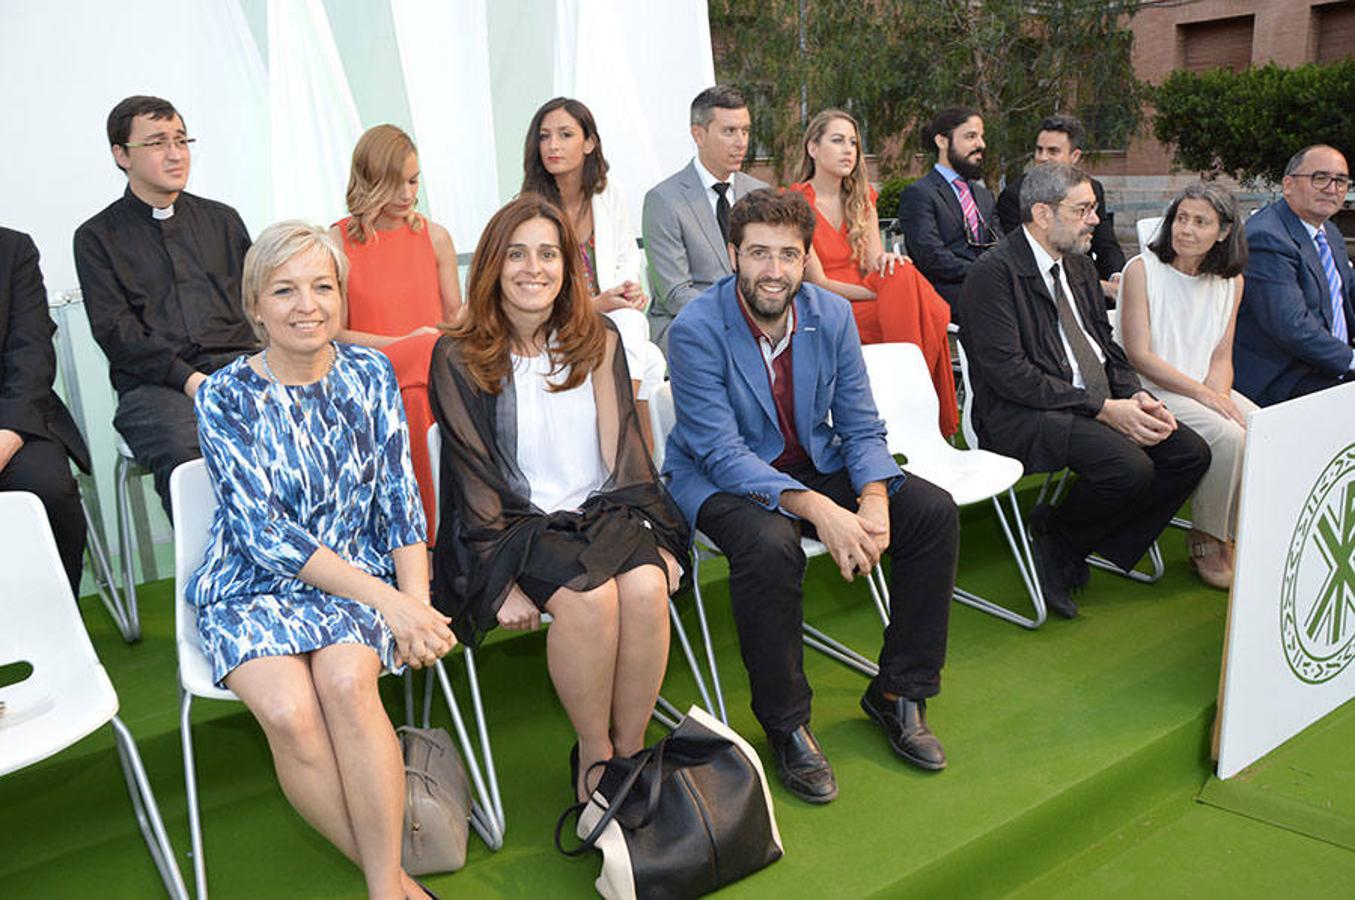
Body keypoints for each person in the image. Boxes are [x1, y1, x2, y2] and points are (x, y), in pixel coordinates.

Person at [665, 189, 959, 804]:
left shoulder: (829, 315)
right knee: (772, 546)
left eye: (789, 255)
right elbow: (719, 452)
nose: (774, 270)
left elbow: (858, 423)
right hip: (717, 479)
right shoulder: (695, 328)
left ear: (805, 260)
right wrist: (823, 510)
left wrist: (873, 497)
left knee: (929, 513)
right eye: (759, 254)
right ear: (733, 255)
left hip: (809, 458)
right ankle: (787, 724)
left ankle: (897, 693)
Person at [188, 221, 453, 900]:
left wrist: (415, 602)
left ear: (341, 296)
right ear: (255, 305)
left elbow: (399, 500)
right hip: (251, 584)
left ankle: (380, 888)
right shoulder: (223, 396)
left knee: (345, 685)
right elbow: (262, 534)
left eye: (321, 286)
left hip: (355, 580)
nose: (306, 304)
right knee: (288, 715)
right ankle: (390, 881)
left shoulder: (369, 373)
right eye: (284, 289)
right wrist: (389, 600)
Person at [429, 195, 690, 803]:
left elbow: (625, 455)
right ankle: (594, 758)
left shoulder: (596, 340)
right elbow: (472, 483)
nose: (533, 267)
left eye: (548, 253)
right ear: (492, 265)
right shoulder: (459, 354)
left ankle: (630, 752)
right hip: (516, 528)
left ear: (569, 268)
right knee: (590, 598)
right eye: (516, 254)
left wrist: (656, 537)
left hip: (599, 511)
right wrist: (503, 583)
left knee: (649, 587)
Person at [957, 164, 1210, 619]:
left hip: (1089, 402)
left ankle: (1069, 537)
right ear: (1041, 213)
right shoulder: (992, 274)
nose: (1096, 220)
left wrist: (1134, 396)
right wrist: (1103, 409)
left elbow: (1104, 344)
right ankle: (1060, 544)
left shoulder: (1076, 262)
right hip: (1020, 413)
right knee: (1128, 467)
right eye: (1083, 209)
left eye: (1094, 208)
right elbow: (1009, 374)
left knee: (1189, 453)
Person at [75, 95, 256, 512]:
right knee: (188, 453)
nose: (176, 155)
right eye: (158, 143)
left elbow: (257, 303)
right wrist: (190, 380)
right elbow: (117, 333)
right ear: (121, 155)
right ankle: (220, 572)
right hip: (156, 388)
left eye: (181, 140)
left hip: (240, 369)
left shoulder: (223, 220)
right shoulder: (97, 237)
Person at [789, 109, 958, 436]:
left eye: (853, 142)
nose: (848, 150)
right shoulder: (795, 204)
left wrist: (892, 275)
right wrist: (883, 292)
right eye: (837, 141)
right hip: (827, 306)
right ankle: (916, 398)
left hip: (874, 301)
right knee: (918, 302)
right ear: (813, 148)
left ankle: (910, 394)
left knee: (901, 272)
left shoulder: (861, 198)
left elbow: (874, 264)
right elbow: (818, 283)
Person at [329, 124, 462, 530]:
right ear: (370, 180)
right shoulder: (335, 243)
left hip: (432, 372)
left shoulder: (435, 237)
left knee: (424, 384)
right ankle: (432, 534)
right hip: (368, 374)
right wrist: (407, 342)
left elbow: (455, 321)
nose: (408, 194)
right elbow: (335, 334)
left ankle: (425, 534)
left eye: (413, 180)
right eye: (395, 183)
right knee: (422, 370)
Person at [1121, 183, 1253, 589]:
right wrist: (1206, 398)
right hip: (1149, 389)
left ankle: (1241, 533)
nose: (1186, 230)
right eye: (1181, 218)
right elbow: (1139, 355)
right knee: (1230, 435)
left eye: (1200, 222)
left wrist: (1218, 394)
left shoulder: (1231, 282)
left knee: (1263, 427)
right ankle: (1207, 538)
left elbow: (1221, 357)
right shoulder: (1142, 271)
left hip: (1200, 387)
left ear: (1224, 232)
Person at [521, 96, 667, 432]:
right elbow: (531, 289)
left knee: (648, 354)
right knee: (637, 339)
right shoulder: (529, 209)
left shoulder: (608, 195)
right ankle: (624, 442)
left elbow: (626, 258)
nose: (552, 145)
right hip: (552, 322)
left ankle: (637, 464)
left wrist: (628, 290)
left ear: (589, 143)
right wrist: (596, 304)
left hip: (606, 317)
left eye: (565, 135)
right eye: (544, 136)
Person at [644, 85, 769, 348]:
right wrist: (739, 320)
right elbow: (676, 294)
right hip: (689, 326)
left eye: (745, 131)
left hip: (759, 324)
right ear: (698, 135)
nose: (741, 142)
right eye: (729, 131)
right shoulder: (663, 200)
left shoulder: (761, 194)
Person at [0, 227, 89, 594]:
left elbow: (32, 352)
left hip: (13, 414)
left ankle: (56, 618)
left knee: (47, 490)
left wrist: (7, 437)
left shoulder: (12, 249)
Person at [1233, 144, 1354, 406]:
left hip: (1323, 364)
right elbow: (1293, 327)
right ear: (1288, 185)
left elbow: (1348, 300)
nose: (1332, 189)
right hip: (1282, 376)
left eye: (1341, 181)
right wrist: (1351, 360)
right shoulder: (1266, 237)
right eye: (1319, 178)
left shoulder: (1328, 232)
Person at [995, 115, 1126, 301]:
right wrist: (1101, 287)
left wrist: (1117, 278)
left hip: (1089, 287)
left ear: (1075, 156)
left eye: (1053, 151)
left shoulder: (1092, 189)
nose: (1042, 158)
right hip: (1039, 293)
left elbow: (1106, 244)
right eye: (1039, 150)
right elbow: (1025, 260)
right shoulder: (1014, 196)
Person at [897, 107, 1002, 311]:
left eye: (981, 136)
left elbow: (999, 243)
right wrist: (983, 273)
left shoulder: (984, 196)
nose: (981, 144)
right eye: (971, 136)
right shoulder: (919, 194)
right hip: (950, 293)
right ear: (942, 141)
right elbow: (931, 257)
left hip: (991, 286)